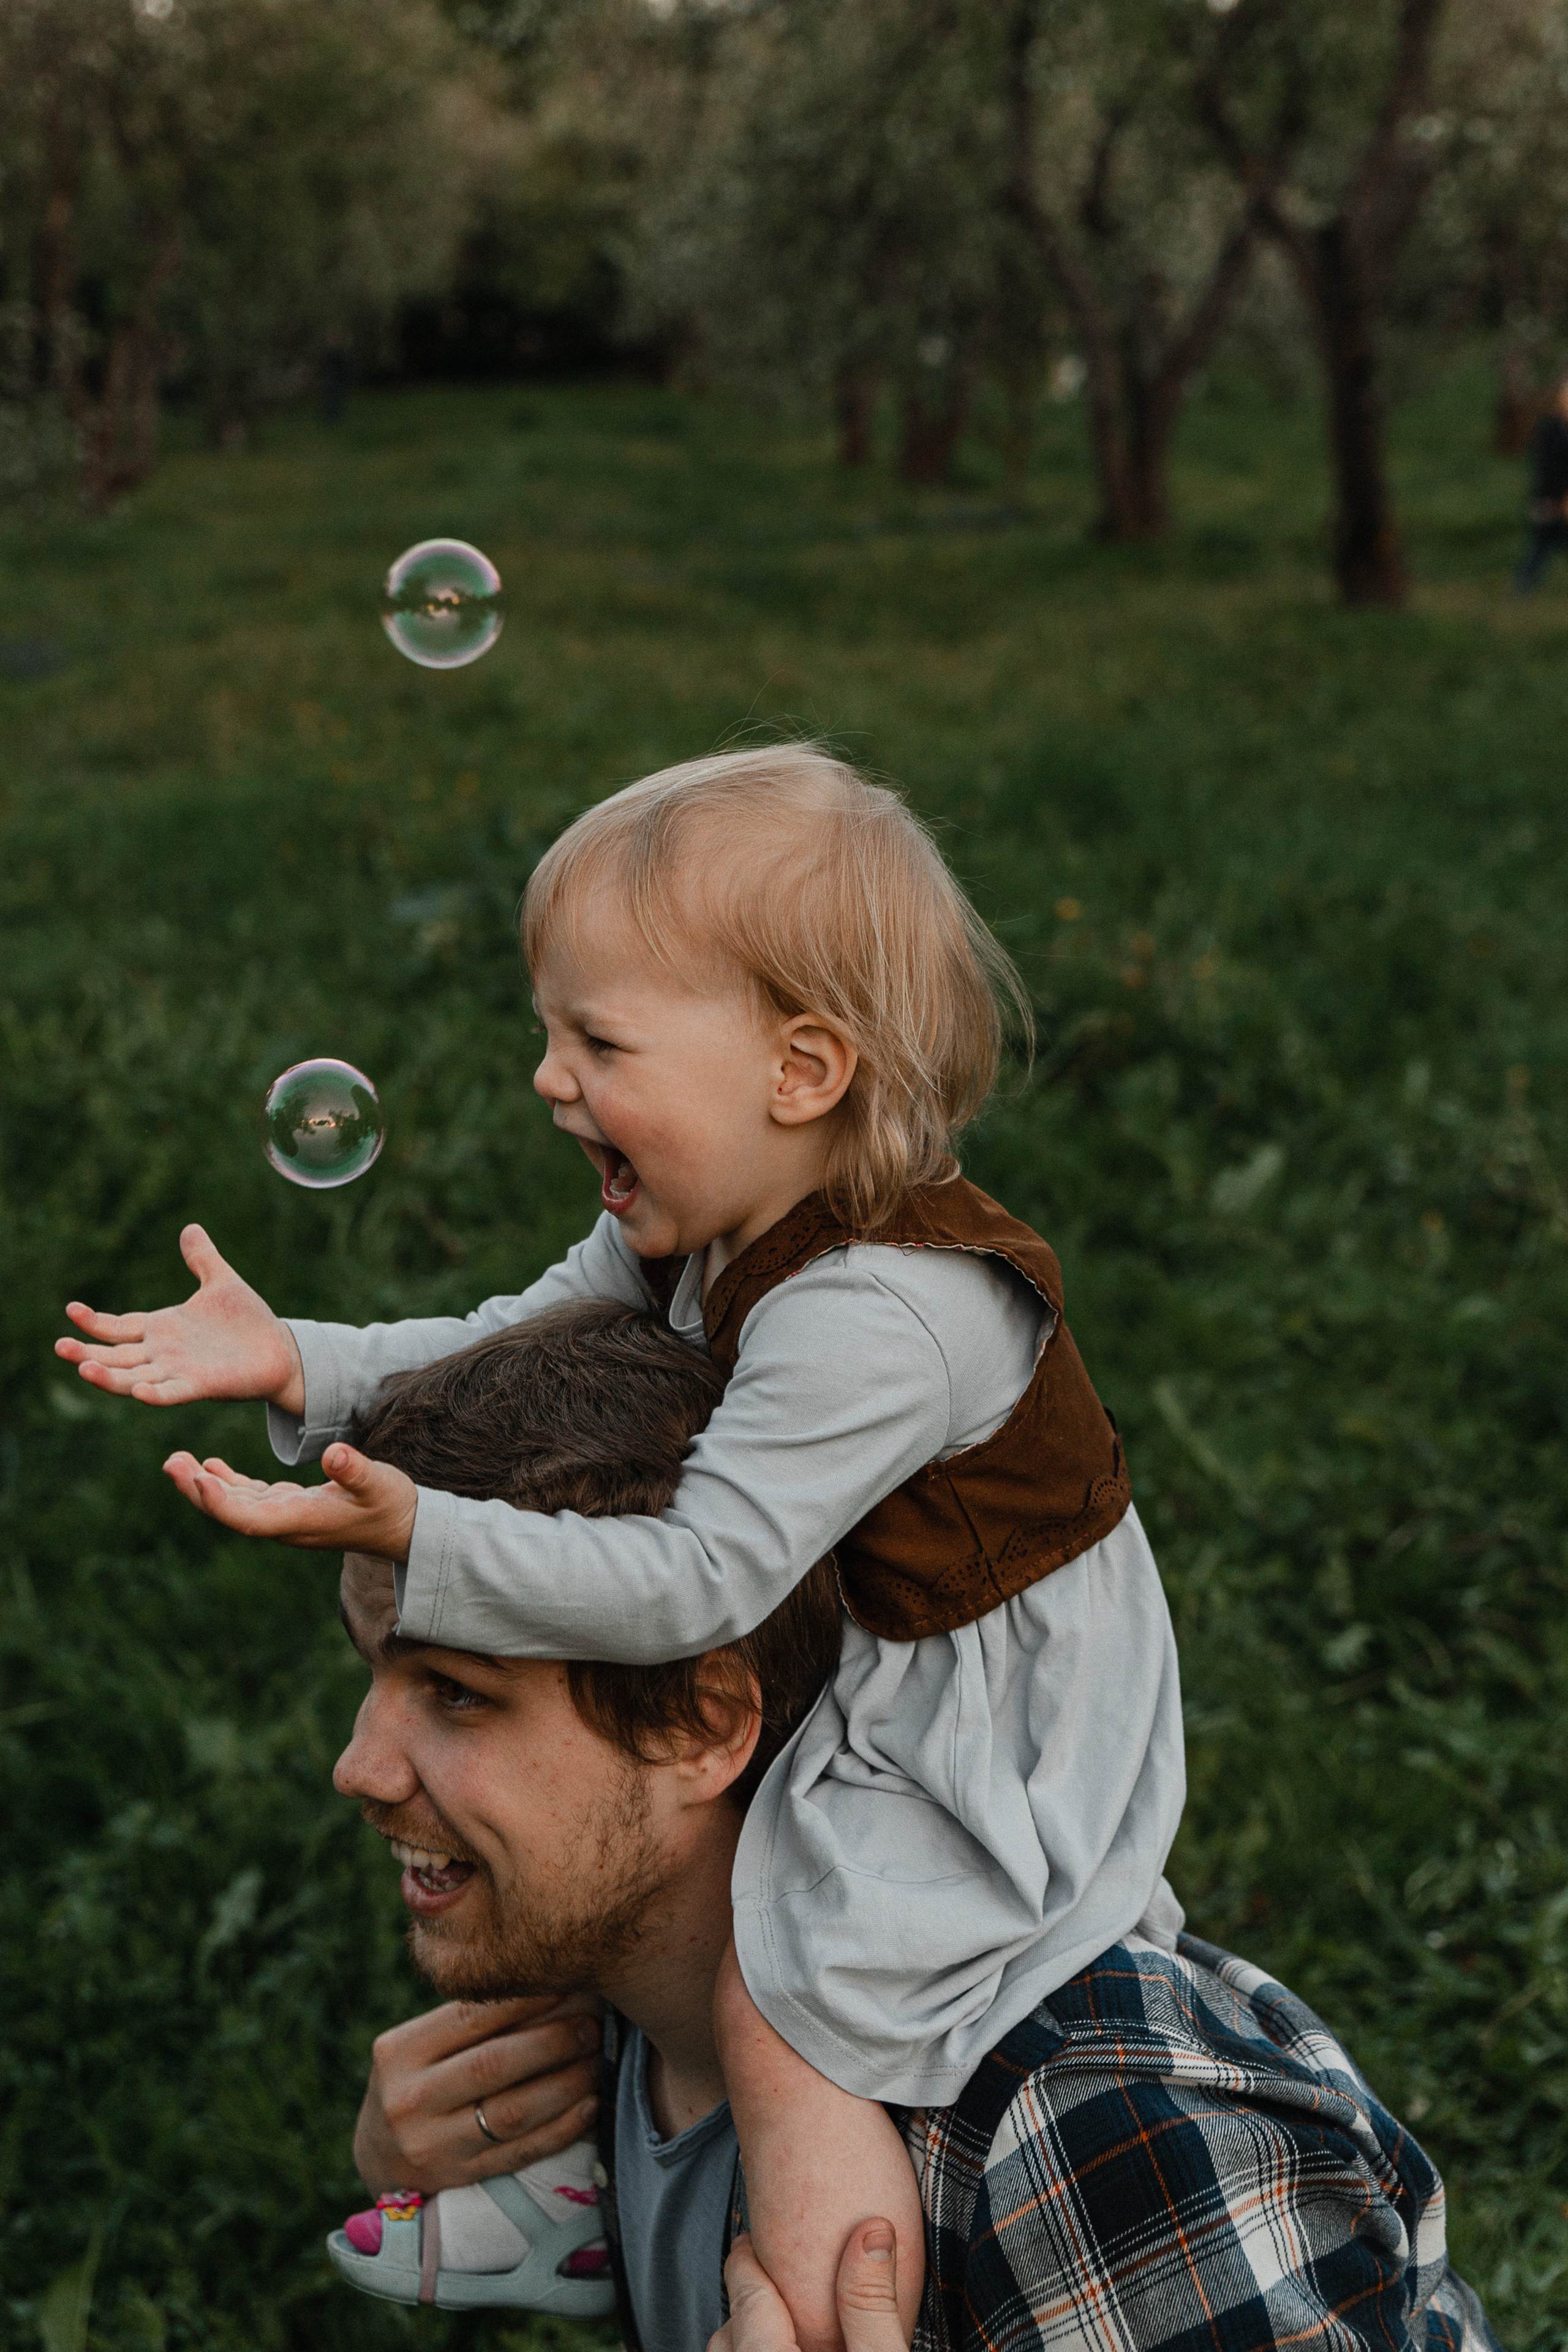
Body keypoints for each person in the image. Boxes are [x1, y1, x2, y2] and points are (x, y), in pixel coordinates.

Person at [58, 745, 1182, 2346]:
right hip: (858, 1660)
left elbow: (700, 1582)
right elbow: (509, 1334)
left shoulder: (891, 1312)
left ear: (801, 1072)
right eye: (546, 1032)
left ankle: (819, 2294)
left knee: (781, 1999)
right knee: (591, 1869)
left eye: (597, 1038)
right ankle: (580, 2192)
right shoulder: (707, 1225)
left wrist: (441, 1544)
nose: (547, 1076)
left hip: (983, 1731)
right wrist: (304, 1360)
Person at [331, 1301, 1499, 2351]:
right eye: (375, 1674)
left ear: (699, 1727)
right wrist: (447, 2165)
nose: (361, 1768)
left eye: (458, 1694)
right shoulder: (628, 2003)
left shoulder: (1084, 2128)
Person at [1513, 372, 1568, 594]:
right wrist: (1546, 500)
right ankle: (1520, 593)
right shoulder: (1550, 432)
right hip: (1552, 501)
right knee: (1540, 548)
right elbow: (1545, 471)